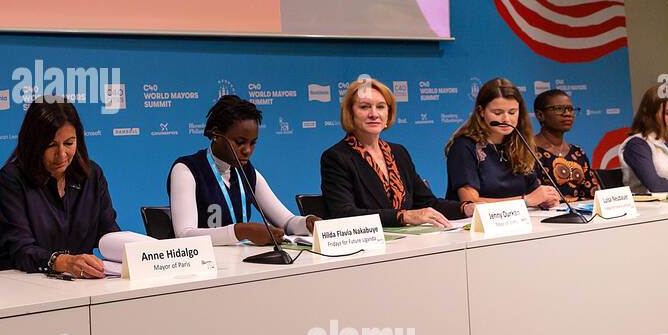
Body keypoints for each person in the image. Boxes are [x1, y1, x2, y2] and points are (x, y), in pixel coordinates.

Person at [0, 97, 123, 278]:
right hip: (19, 282)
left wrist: (141, 254)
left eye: (69, 143)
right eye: (51, 145)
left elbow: (109, 234)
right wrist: (65, 262)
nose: (61, 154)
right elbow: (21, 249)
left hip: (76, 284)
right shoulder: (12, 178)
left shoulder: (92, 175)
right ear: (33, 143)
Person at [321, 78, 473, 227]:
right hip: (368, 246)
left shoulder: (398, 153)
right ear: (350, 114)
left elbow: (428, 204)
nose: (374, 114)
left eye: (380, 107)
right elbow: (344, 213)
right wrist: (404, 216)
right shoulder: (337, 157)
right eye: (364, 107)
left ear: (388, 113)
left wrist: (467, 208)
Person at [168, 94, 316, 244]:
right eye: (240, 142)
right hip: (204, 264)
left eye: (253, 143)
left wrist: (307, 223)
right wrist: (241, 231)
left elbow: (286, 221)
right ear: (217, 134)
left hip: (239, 263)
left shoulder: (247, 172)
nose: (247, 151)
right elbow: (184, 234)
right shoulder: (186, 170)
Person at [444, 77, 562, 208]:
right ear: (481, 111)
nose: (506, 119)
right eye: (497, 112)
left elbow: (533, 193)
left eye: (512, 112)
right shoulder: (464, 146)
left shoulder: (521, 143)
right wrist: (525, 201)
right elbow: (471, 203)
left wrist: (545, 199)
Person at [531, 89, 600, 201]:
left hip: (580, 216)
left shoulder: (578, 153)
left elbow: (591, 196)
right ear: (540, 115)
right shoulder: (528, 151)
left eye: (570, 109)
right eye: (559, 109)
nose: (567, 114)